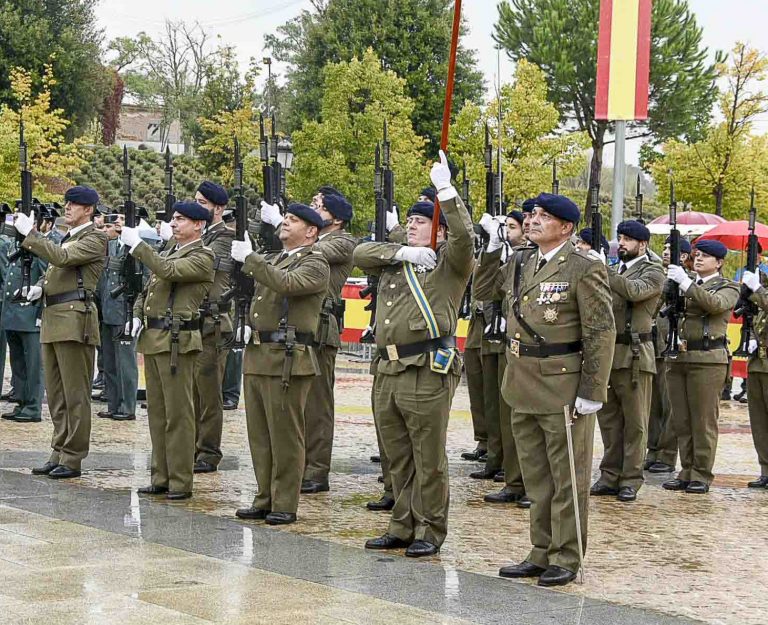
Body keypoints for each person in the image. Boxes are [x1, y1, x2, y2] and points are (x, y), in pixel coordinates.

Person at [474, 193, 615, 586]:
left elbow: (601, 331)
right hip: (521, 380)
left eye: (543, 217)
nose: (533, 221)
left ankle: (566, 556)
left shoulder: (583, 268)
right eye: (532, 215)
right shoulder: (522, 260)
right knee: (536, 476)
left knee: (566, 477)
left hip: (562, 384)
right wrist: (491, 248)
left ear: (566, 227)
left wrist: (592, 389)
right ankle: (540, 550)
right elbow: (483, 292)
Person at [355, 151, 474, 557]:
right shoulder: (397, 260)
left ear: (438, 232)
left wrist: (446, 190)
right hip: (388, 367)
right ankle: (401, 523)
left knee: (428, 456)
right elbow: (360, 254)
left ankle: (429, 528)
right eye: (408, 222)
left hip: (426, 367)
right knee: (397, 456)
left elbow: (466, 239)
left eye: (420, 222)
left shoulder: (449, 266)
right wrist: (401, 251)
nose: (410, 226)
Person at [231, 203, 330, 525]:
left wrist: (251, 258)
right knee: (260, 435)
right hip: (260, 354)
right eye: (285, 218)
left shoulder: (316, 263)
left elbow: (287, 284)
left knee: (285, 434)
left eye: (293, 220)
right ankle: (264, 496)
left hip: (288, 357)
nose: (285, 223)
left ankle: (285, 502)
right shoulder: (275, 258)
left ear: (311, 231)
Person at [121, 200, 215, 500]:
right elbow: (150, 288)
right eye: (173, 219)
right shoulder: (170, 250)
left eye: (181, 220)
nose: (173, 224)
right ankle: (160, 476)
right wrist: (137, 313)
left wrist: (138, 245)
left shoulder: (203, 255)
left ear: (198, 225)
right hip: (155, 337)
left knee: (179, 414)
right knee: (158, 413)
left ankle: (180, 480)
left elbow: (169, 271)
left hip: (177, 341)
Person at [14, 185, 108, 479]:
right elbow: (54, 270)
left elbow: (62, 259)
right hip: (54, 317)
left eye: (73, 204)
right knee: (55, 394)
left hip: (74, 320)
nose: (67, 208)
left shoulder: (95, 238)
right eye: (67, 203)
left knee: (75, 393)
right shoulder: (69, 237)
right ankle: (58, 450)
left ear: (88, 210)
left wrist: (32, 234)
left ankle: (73, 456)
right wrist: (39, 287)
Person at [590, 220, 664, 502]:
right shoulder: (616, 269)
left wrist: (602, 269)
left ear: (642, 244)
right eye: (619, 238)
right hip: (609, 352)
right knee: (609, 421)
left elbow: (633, 292)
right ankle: (609, 475)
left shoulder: (654, 271)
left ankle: (631, 478)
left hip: (634, 355)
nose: (620, 243)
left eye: (627, 240)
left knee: (635, 422)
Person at [663, 239, 738, 494]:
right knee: (682, 420)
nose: (698, 259)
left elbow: (714, 305)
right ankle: (686, 470)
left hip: (707, 360)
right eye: (697, 255)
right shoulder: (687, 284)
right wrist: (673, 284)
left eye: (705, 256)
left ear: (719, 262)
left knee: (703, 420)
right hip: (681, 356)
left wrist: (685, 282)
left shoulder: (728, 286)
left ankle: (702, 473)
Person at [299, 192, 356, 493]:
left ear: (337, 219)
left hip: (322, 328)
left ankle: (317, 471)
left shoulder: (342, 242)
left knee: (318, 404)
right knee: (299, 402)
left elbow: (311, 253)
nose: (313, 211)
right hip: (302, 324)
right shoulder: (314, 240)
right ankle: (299, 465)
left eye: (318, 208)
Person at [192, 181, 235, 474]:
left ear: (218, 208)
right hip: (191, 320)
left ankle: (208, 451)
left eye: (202, 203)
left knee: (208, 394)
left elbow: (206, 265)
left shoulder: (226, 237)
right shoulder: (198, 234)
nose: (197, 207)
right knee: (190, 391)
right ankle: (190, 445)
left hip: (213, 322)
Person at [646, 237, 691, 473]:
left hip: (672, 348)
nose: (665, 252)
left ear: (683, 256)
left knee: (669, 406)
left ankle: (667, 455)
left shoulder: (688, 281)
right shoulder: (657, 275)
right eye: (663, 248)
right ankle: (652, 449)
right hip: (652, 346)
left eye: (670, 250)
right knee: (652, 404)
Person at [0, 213, 47, 423]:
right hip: (12, 314)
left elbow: (46, 278)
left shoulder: (39, 248)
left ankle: (33, 406)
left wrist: (40, 312)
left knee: (33, 364)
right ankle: (21, 400)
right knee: (18, 362)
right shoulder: (14, 245)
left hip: (29, 313)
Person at [96, 213, 139, 421]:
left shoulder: (137, 248)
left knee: (125, 364)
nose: (115, 225)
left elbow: (142, 281)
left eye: (121, 220)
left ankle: (127, 406)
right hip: (107, 311)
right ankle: (113, 404)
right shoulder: (111, 246)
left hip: (125, 312)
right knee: (110, 362)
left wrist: (135, 315)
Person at [740, 266, 768, 488]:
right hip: (758, 362)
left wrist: (757, 288)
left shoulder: (762, 289)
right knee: (759, 422)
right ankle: (766, 469)